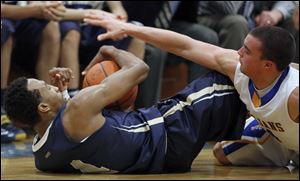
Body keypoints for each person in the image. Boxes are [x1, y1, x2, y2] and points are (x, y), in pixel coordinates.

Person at [83, 13, 299, 168]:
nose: (239, 52)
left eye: (247, 51)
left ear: (268, 65)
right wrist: (130, 28)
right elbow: (185, 46)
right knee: (221, 153)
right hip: (278, 135)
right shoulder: (237, 67)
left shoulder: (293, 95)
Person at [4, 45, 247, 173]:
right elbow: (140, 68)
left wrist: (64, 94)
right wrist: (108, 50)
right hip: (169, 129)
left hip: (163, 159)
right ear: (44, 106)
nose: (50, 83)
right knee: (233, 74)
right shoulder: (78, 109)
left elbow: (72, 131)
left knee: (235, 102)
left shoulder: (42, 157)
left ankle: (261, 132)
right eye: (45, 86)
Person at [1, 1, 65, 143]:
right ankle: (1, 110)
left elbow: (55, 9)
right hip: (8, 20)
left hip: (22, 20)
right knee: (3, 27)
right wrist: (34, 9)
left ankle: (50, 103)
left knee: (51, 26)